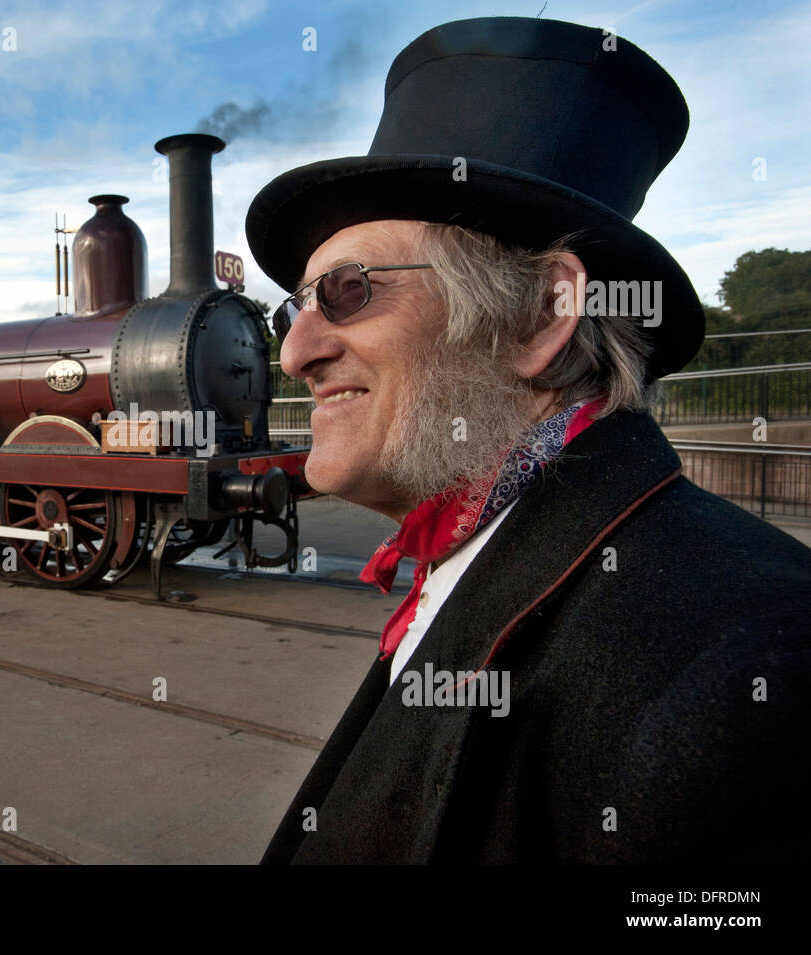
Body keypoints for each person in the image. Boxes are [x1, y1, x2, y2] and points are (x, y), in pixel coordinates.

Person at [245, 16, 811, 864]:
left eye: (348, 289)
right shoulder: (480, 543)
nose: (293, 352)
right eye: (293, 308)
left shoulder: (744, 667)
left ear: (542, 315)